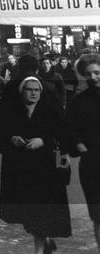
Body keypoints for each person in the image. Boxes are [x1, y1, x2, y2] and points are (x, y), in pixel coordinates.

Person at [0, 76, 71, 254]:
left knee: (41, 212)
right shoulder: (12, 110)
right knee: (34, 213)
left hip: (47, 169)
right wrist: (12, 138)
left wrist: (43, 140)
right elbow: (0, 131)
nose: (33, 93)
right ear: (22, 91)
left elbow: (63, 136)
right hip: (23, 170)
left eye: (37, 90)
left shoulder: (51, 110)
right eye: (29, 89)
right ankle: (45, 240)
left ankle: (40, 249)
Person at [66, 53, 100, 251]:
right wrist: (81, 147)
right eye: (89, 74)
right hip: (93, 163)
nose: (93, 77)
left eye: (97, 73)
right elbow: (70, 128)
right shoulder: (79, 101)